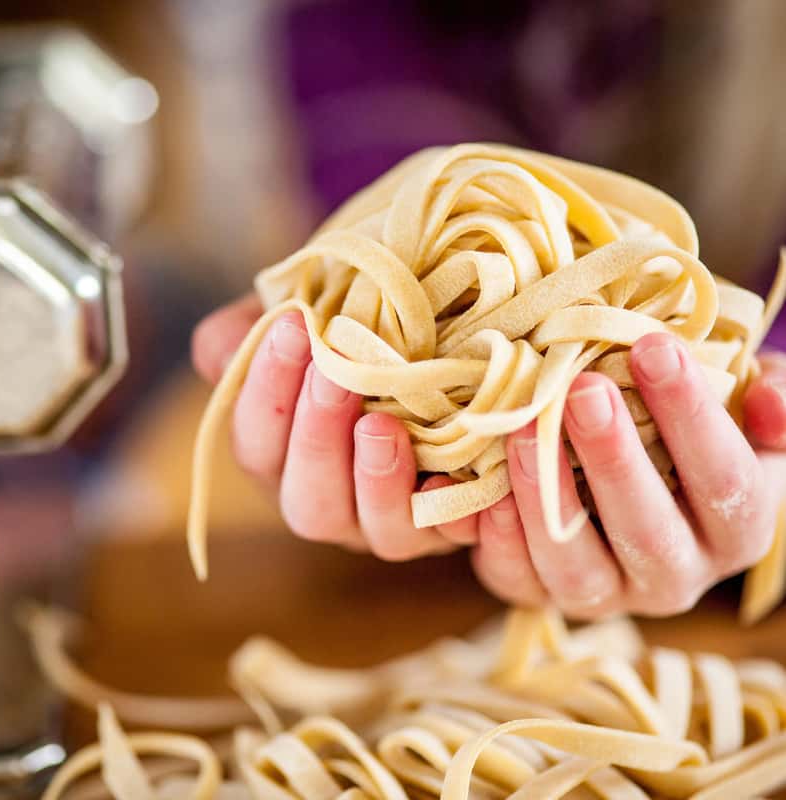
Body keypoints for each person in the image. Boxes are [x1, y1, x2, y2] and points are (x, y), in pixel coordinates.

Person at [189, 0, 786, 620]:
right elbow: (400, 240)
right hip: (414, 602)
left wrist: (767, 459)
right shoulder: (352, 21)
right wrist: (363, 376)